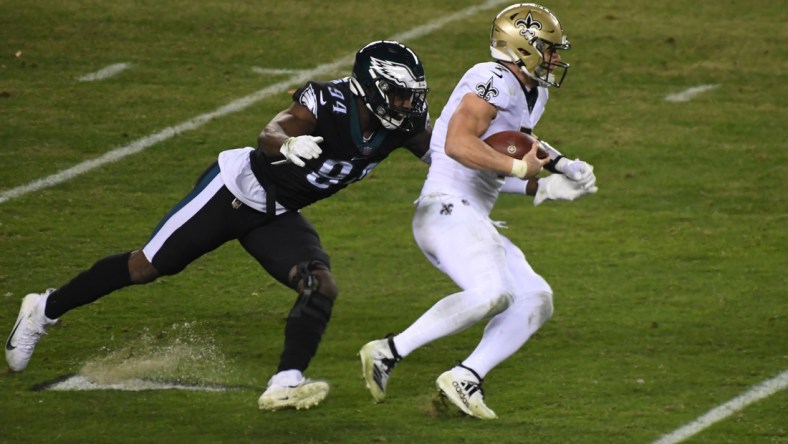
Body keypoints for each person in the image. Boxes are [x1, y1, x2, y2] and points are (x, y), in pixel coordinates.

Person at [5, 40, 433, 411]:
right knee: (145, 266)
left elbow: (449, 156)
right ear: (369, 88)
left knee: (319, 284)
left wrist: (495, 168)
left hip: (276, 214)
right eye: (398, 94)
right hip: (233, 192)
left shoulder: (405, 126)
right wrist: (286, 142)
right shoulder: (326, 101)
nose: (406, 104)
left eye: (410, 95)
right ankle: (44, 309)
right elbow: (272, 131)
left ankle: (284, 383)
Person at [359, 4, 598, 419]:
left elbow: (507, 145)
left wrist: (556, 173)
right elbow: (458, 145)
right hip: (446, 209)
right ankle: (388, 350)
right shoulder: (490, 79)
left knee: (535, 298)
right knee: (492, 293)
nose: (555, 58)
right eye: (549, 49)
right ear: (523, 47)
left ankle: (467, 376)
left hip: (469, 214)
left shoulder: (531, 90)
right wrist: (527, 171)